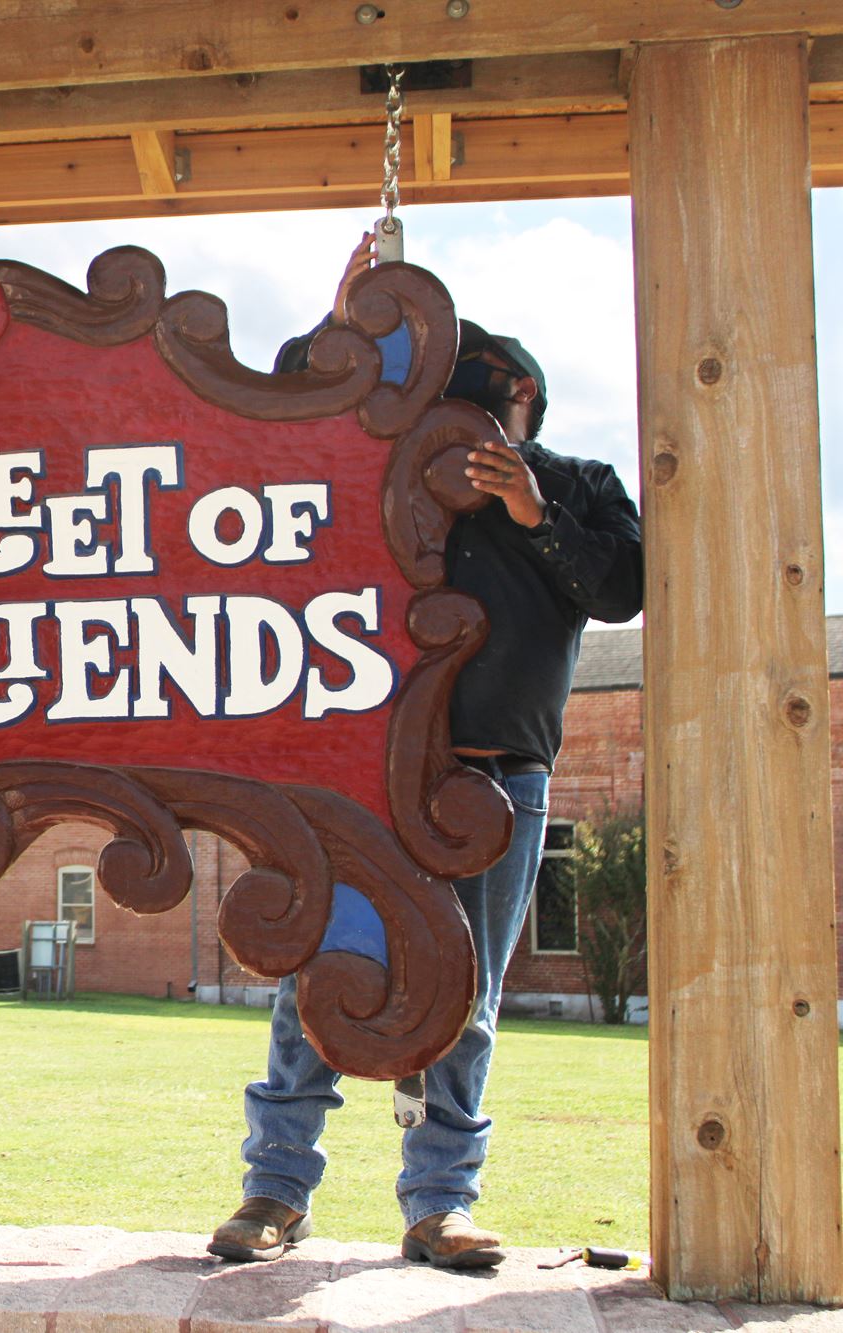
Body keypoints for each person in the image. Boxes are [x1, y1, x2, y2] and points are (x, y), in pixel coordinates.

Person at [209, 233, 644, 1270]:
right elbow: (287, 420)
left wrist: (531, 511)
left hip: (503, 772)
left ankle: (439, 1203)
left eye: (481, 394)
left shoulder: (580, 483)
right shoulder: (388, 466)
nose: (459, 415)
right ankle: (275, 1190)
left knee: (470, 997)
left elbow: (623, 589)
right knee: (318, 970)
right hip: (376, 773)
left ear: (524, 401)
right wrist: (345, 320)